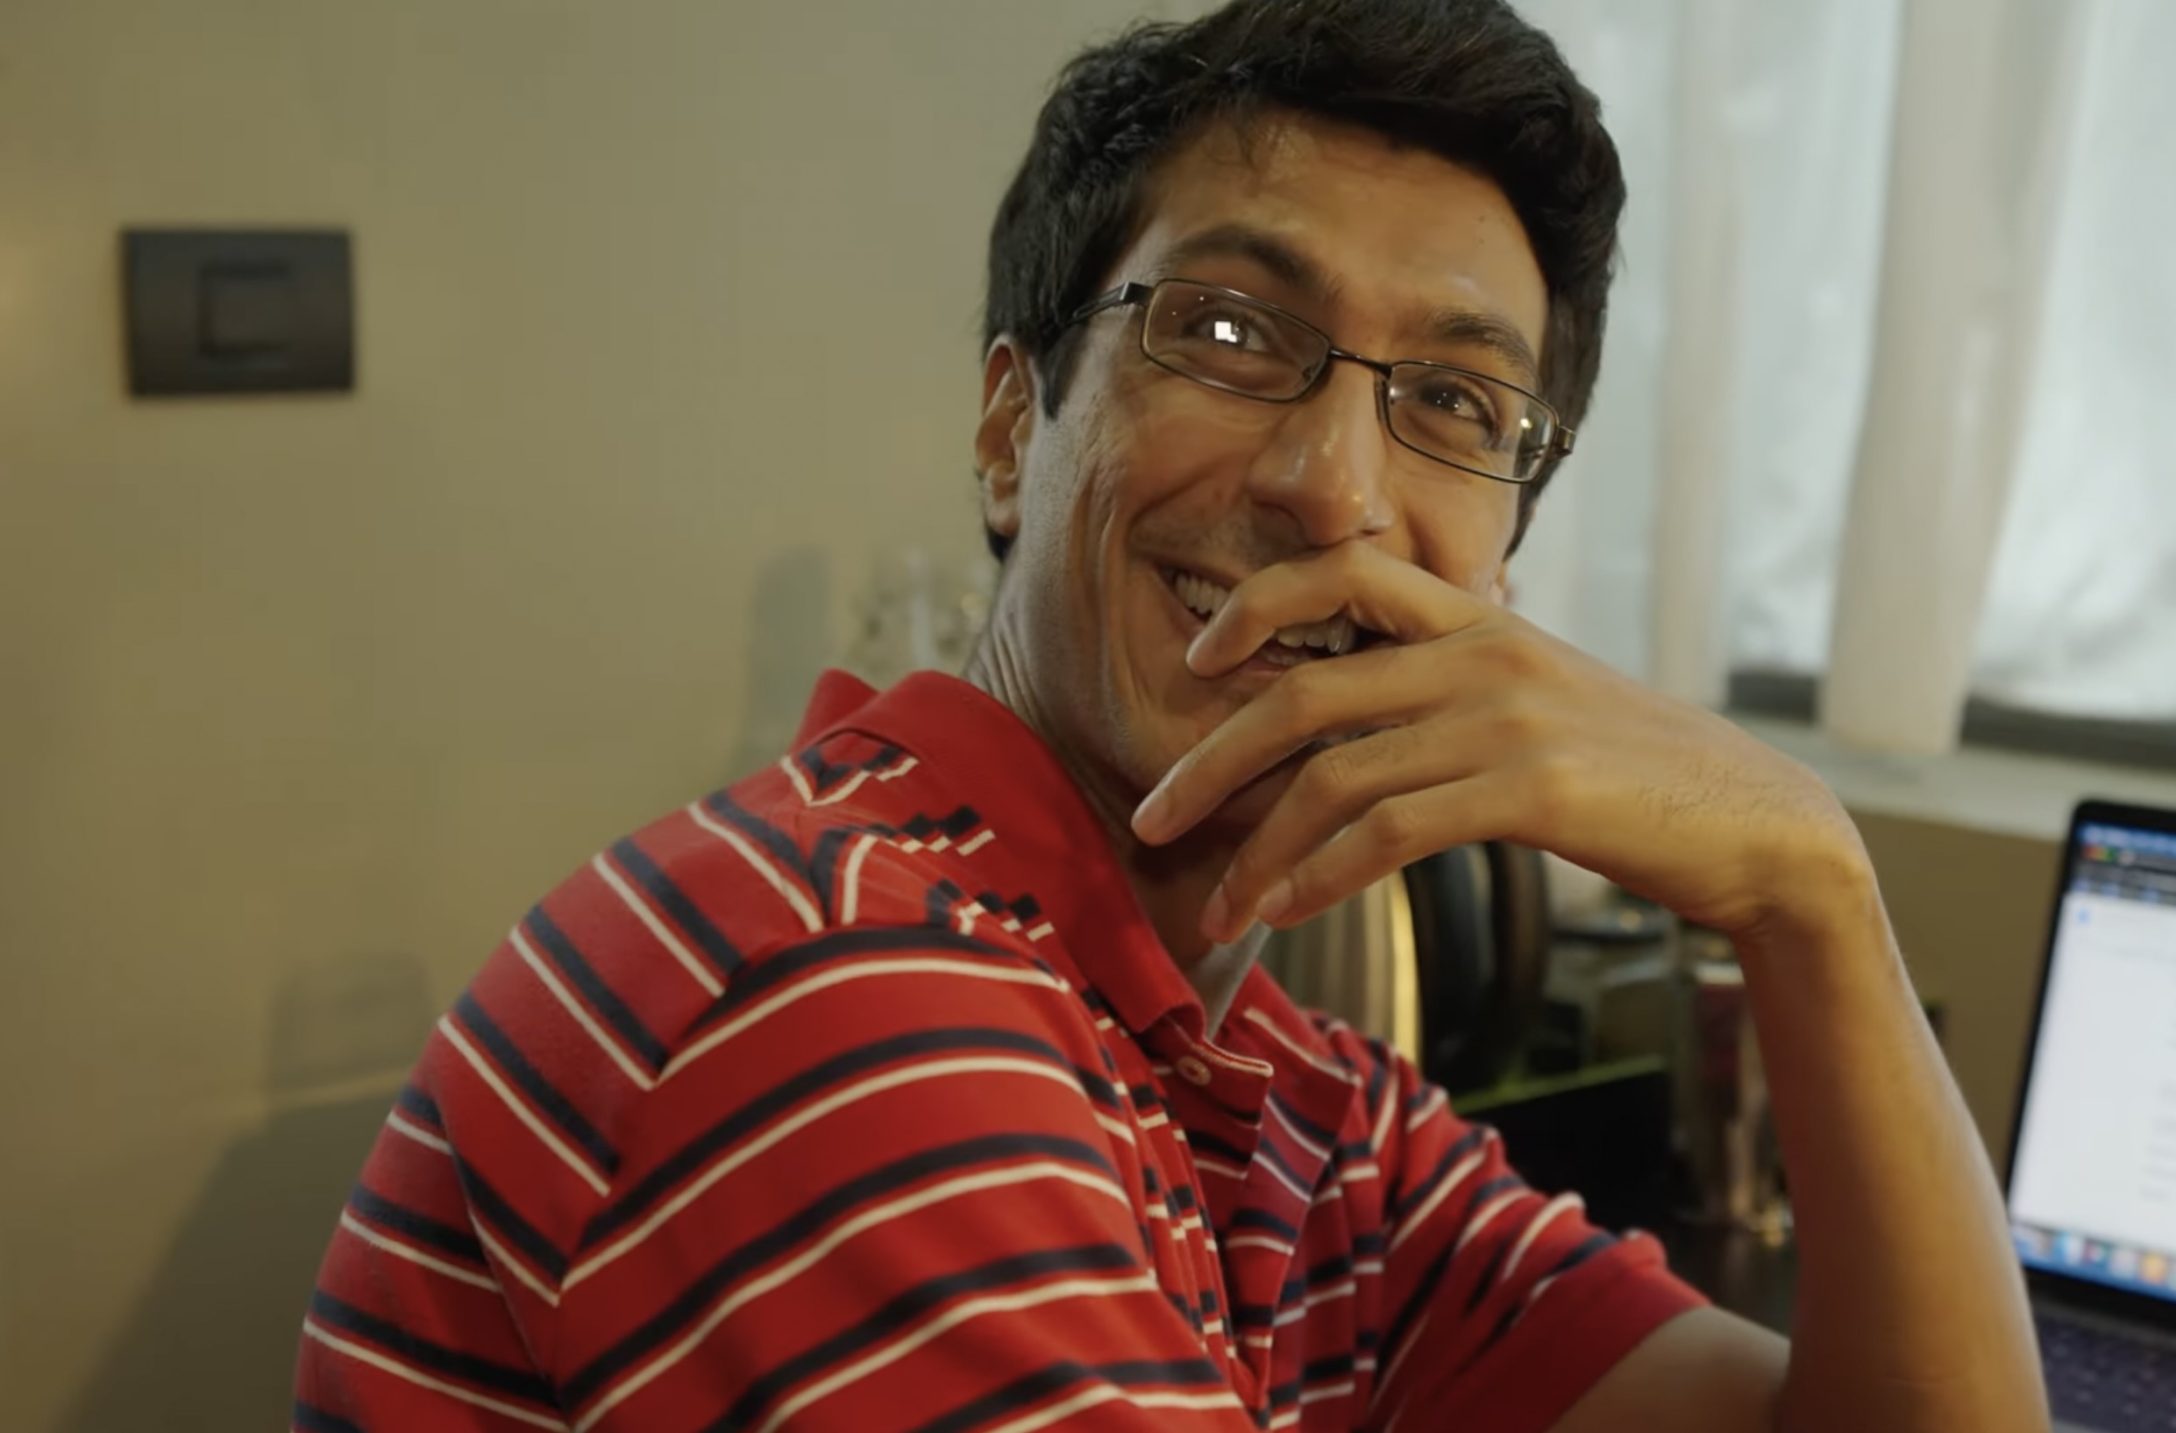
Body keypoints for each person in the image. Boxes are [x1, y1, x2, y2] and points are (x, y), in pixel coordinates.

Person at [293, 2, 2046, 1429]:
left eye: (1453, 402)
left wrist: (1814, 891)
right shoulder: (829, 991)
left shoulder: (1296, 1102)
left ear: (1502, 559)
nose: (1331, 486)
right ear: (1012, 430)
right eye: (1226, 329)